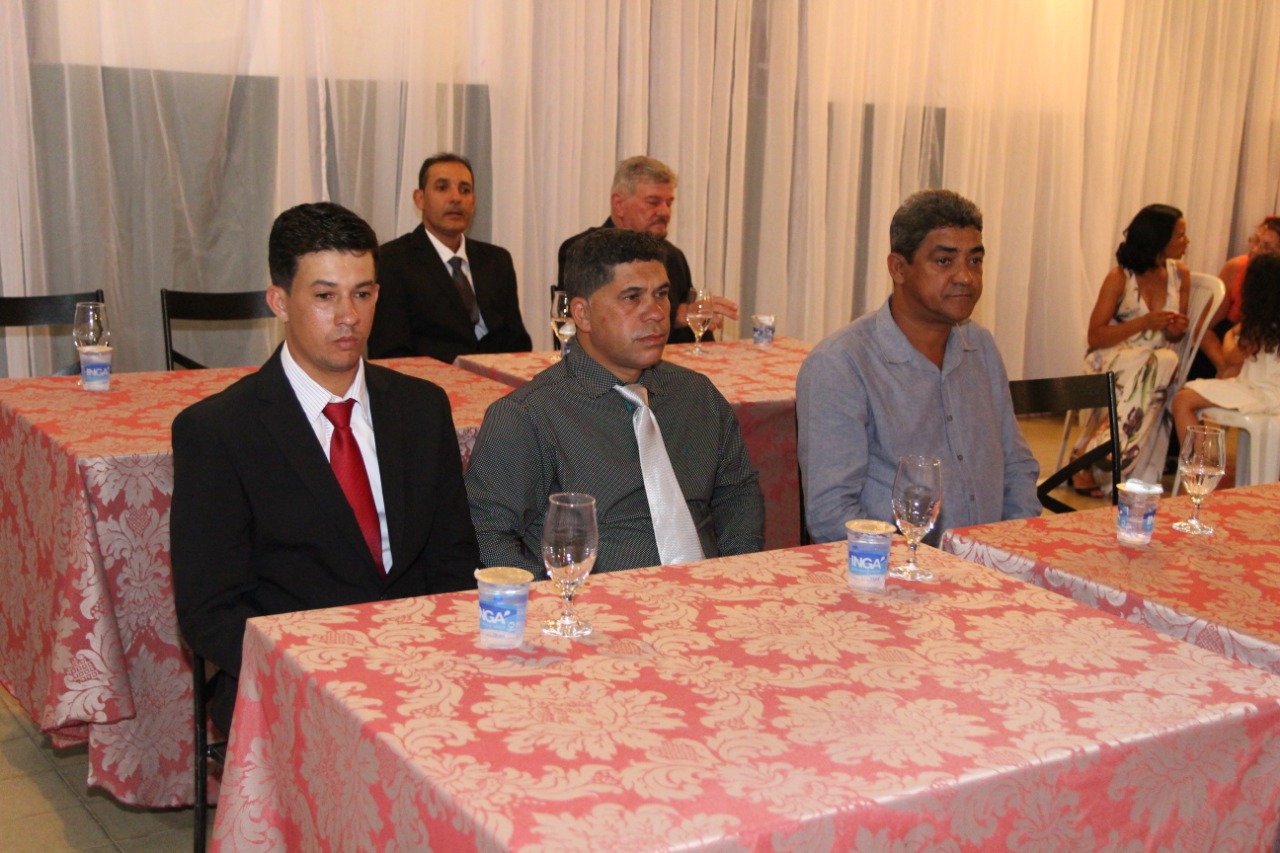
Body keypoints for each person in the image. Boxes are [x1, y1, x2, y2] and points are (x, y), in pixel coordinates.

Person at [172, 202, 479, 732]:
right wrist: (322, 671)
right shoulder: (220, 430)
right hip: (292, 680)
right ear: (279, 302)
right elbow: (210, 610)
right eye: (324, 296)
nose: (349, 316)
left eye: (362, 293)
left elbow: (454, 558)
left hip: (420, 664)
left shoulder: (422, 407)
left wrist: (433, 653)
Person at [466, 228, 763, 572]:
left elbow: (737, 491)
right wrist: (550, 598)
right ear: (582, 314)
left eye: (662, 294)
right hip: (596, 598)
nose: (656, 313)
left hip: (711, 589)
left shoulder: (696, 395)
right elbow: (487, 533)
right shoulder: (528, 416)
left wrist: (734, 573)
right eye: (632, 298)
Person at [796, 189, 1040, 545]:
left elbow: (1017, 466)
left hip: (994, 562)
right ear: (898, 268)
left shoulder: (981, 347)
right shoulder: (841, 364)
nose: (965, 277)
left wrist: (1010, 549)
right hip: (894, 570)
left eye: (975, 260)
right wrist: (917, 566)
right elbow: (831, 514)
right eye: (944, 261)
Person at [1070, 204, 1191, 494]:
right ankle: (1101, 454)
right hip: (1110, 359)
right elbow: (1095, 337)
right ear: (1159, 239)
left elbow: (1172, 335)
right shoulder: (1120, 277)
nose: (1186, 242)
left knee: (1163, 360)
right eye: (1180, 236)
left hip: (1155, 367)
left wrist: (1175, 330)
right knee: (1161, 362)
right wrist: (1144, 322)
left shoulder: (1180, 275)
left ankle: (1089, 454)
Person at [368, 153, 532, 363]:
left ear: (473, 202)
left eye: (465, 190)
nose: (456, 198)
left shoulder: (497, 260)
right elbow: (390, 352)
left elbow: (518, 342)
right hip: (430, 380)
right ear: (420, 198)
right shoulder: (392, 260)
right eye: (442, 188)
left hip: (498, 376)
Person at [557, 156, 738, 344]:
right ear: (619, 205)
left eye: (669, 203)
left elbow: (691, 329)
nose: (665, 212)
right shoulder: (582, 252)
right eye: (653, 202)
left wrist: (700, 319)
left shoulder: (673, 256)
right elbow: (583, 328)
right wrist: (675, 316)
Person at [1173, 253, 1280, 443]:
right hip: (1266, 389)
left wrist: (1229, 335)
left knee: (1182, 401)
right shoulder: (1270, 323)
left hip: (1263, 392)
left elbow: (1231, 356)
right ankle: (1203, 453)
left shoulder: (1260, 325)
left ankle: (1200, 459)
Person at [1195, 216, 1280, 375]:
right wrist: (1222, 364)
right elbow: (1203, 326)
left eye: (1267, 247)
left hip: (1263, 356)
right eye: (1255, 241)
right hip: (1225, 348)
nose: (1255, 250)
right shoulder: (1236, 268)